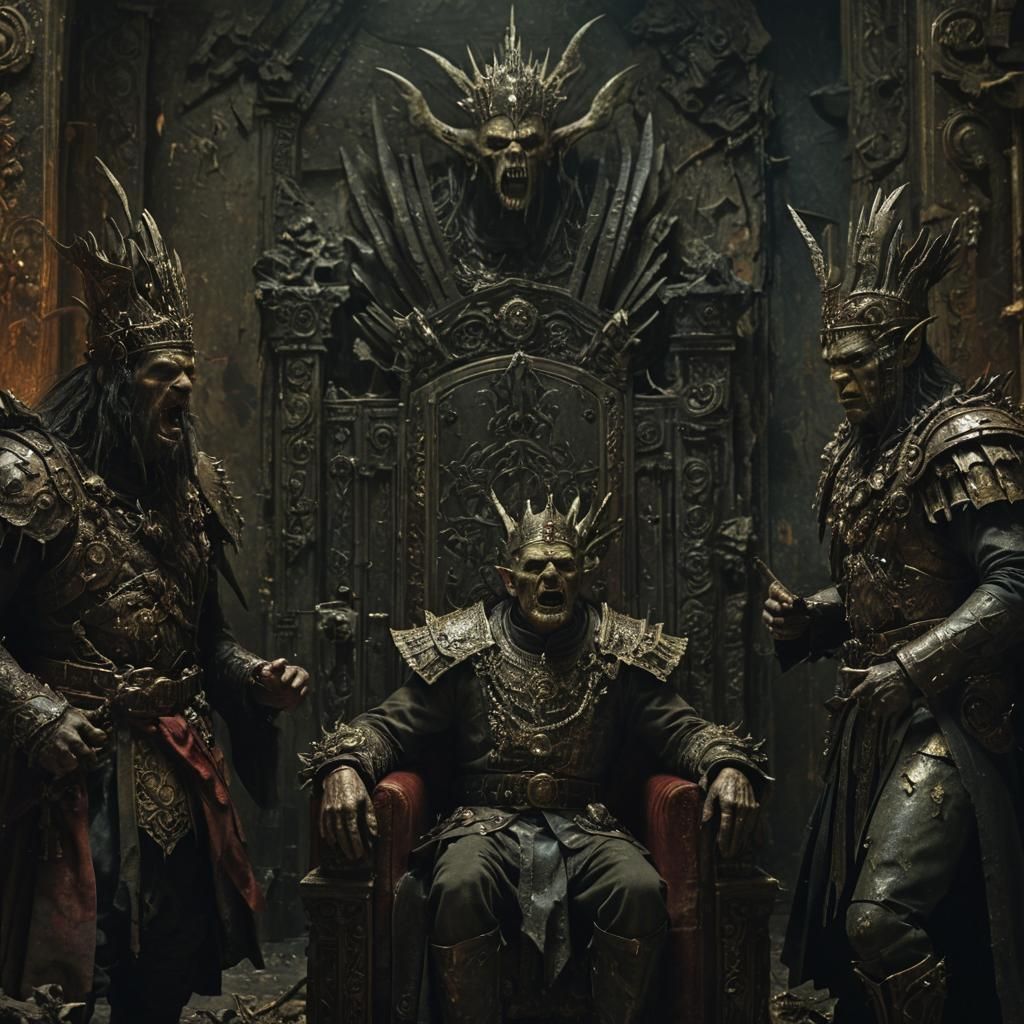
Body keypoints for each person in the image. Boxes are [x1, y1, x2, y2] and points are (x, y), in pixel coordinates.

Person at [0, 161, 309, 1023]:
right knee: (68, 979)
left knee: (166, 970)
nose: (183, 388)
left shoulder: (193, 491)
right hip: (70, 780)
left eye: (188, 373)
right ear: (114, 378)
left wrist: (251, 676)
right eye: (161, 373)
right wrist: (36, 713)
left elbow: (204, 641)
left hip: (176, 767)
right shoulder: (33, 480)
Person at [302, 489, 768, 1024]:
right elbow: (390, 723)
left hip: (587, 826)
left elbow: (680, 727)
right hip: (484, 824)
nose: (550, 577)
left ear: (581, 575)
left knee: (637, 890)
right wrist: (346, 765)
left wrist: (725, 763)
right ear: (509, 578)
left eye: (563, 566)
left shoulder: (617, 649)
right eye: (535, 566)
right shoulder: (466, 647)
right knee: (459, 885)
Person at [765, 184, 1024, 1023]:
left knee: (879, 921)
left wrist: (911, 668)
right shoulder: (853, 452)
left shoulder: (963, 438)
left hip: (957, 718)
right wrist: (818, 615)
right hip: (878, 717)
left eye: (860, 360)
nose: (841, 378)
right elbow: (893, 583)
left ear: (907, 347)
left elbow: (1014, 585)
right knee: (861, 942)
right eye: (833, 362)